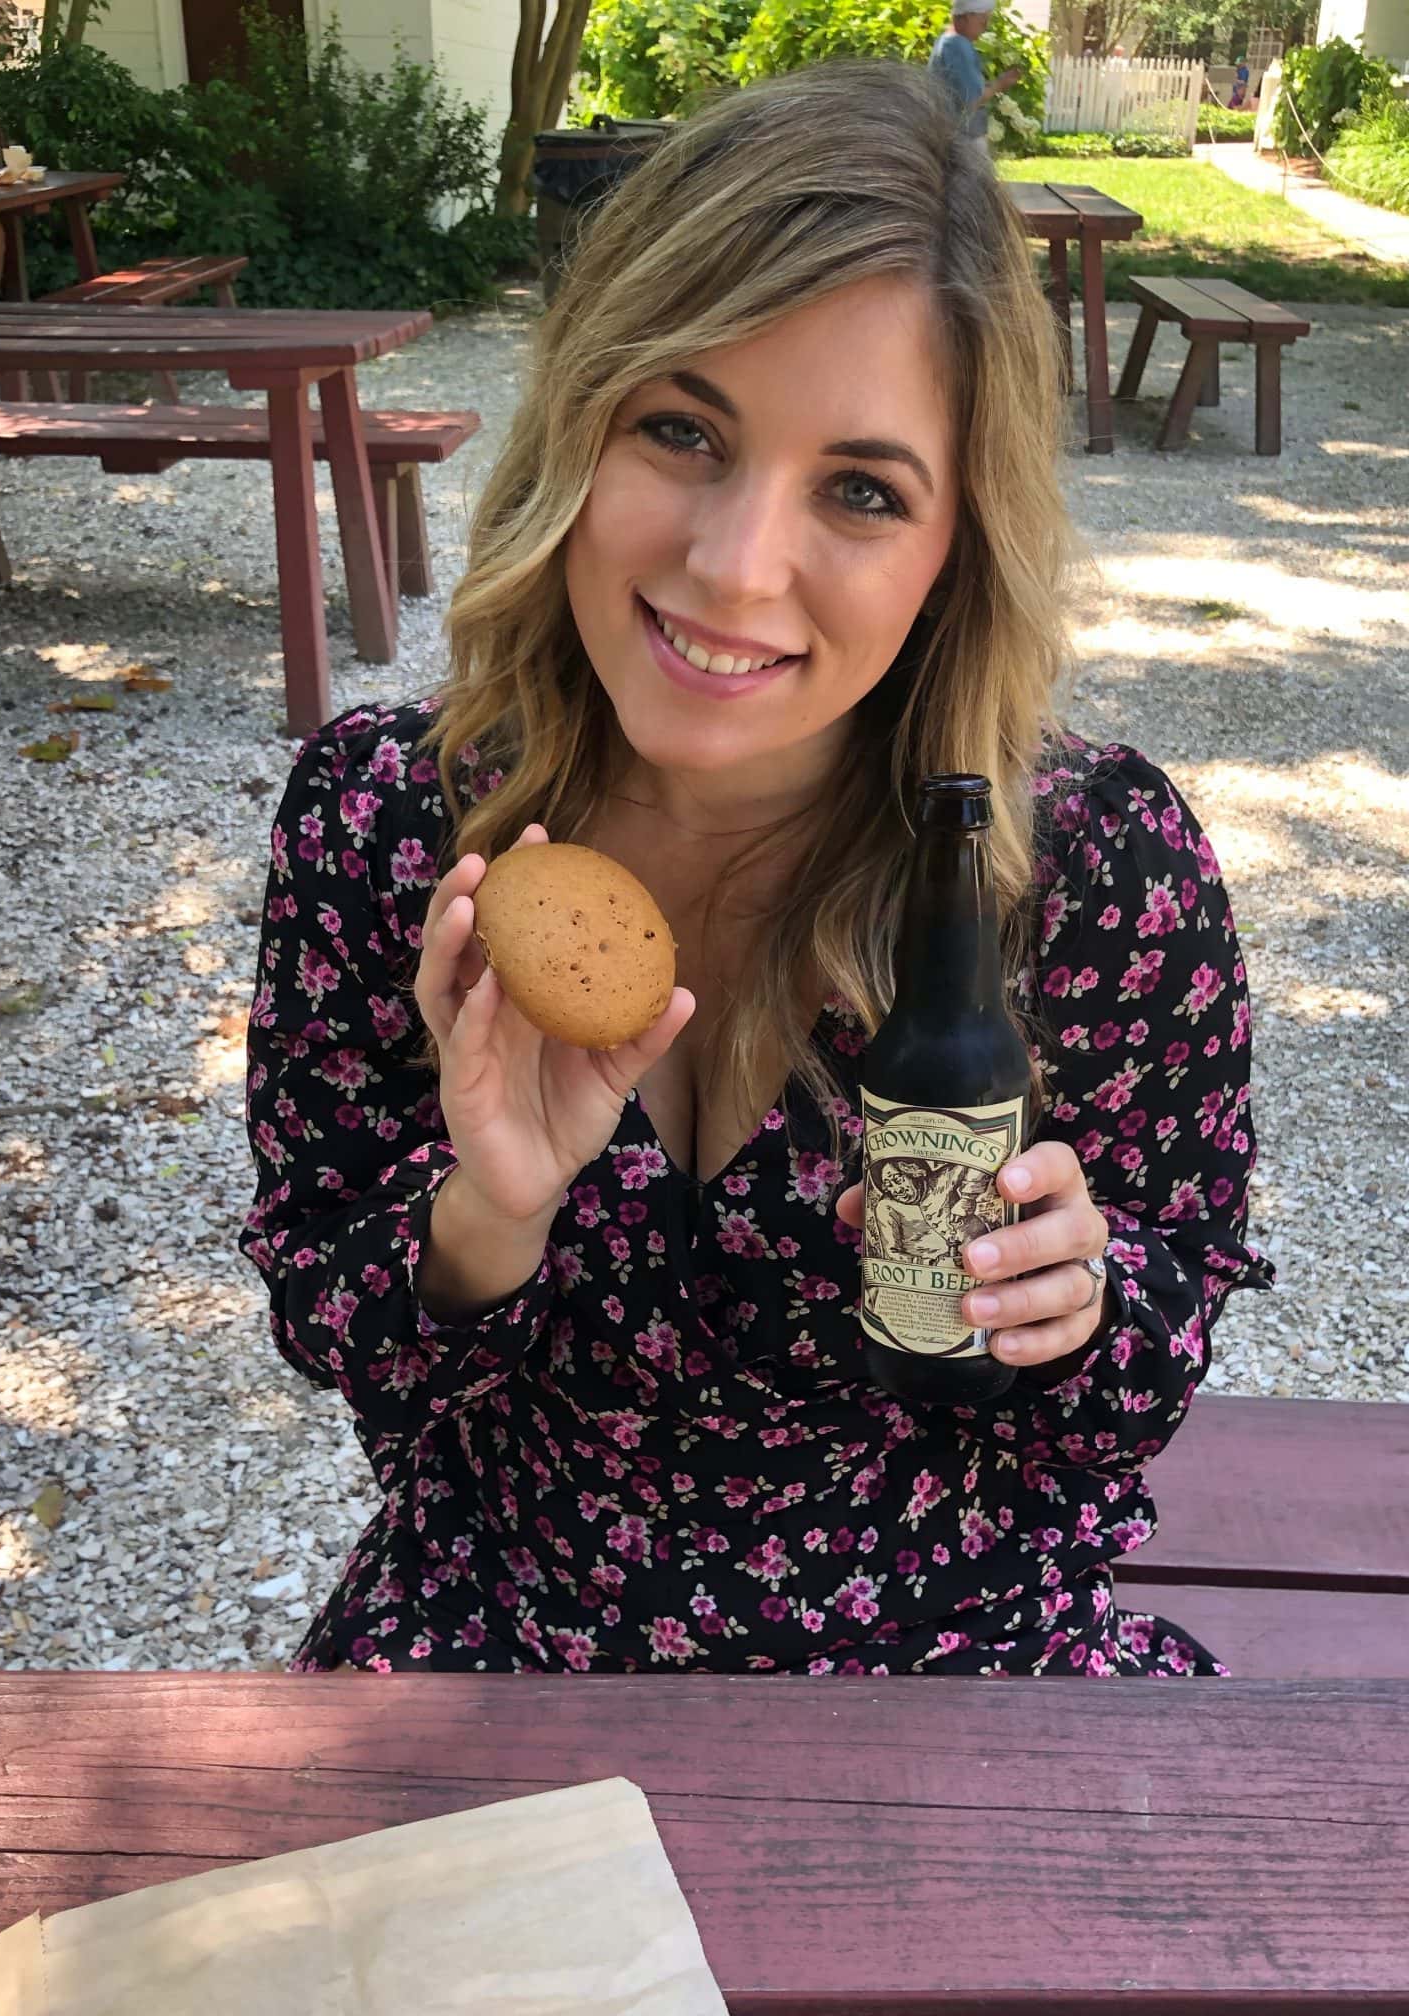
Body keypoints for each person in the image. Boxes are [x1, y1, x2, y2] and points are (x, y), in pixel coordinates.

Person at [241, 60, 1273, 1679]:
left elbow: (1154, 1363)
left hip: (957, 1668)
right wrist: (490, 1214)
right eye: (683, 428)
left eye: (861, 489)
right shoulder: (392, 827)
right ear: (584, 415)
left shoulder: (1092, 877)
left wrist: (1079, 1298)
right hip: (498, 1645)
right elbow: (332, 1316)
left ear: (954, 545)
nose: (735, 567)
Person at [926, 3, 1021, 153]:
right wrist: (1000, 83)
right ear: (968, 16)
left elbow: (958, 88)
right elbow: (973, 99)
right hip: (963, 139)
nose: (985, 27)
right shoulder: (958, 45)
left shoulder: (945, 40)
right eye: (983, 20)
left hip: (945, 133)